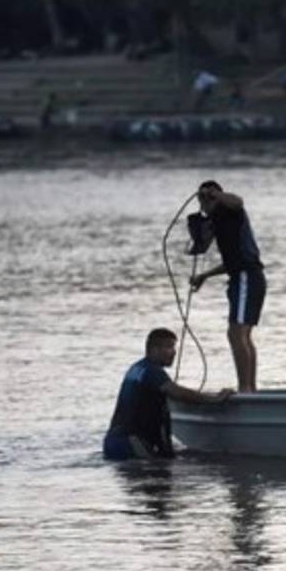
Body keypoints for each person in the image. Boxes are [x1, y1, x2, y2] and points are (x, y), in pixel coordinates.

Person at [103, 328, 231, 460]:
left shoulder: (137, 368)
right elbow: (178, 393)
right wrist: (214, 399)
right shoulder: (152, 371)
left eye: (174, 347)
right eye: (169, 347)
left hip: (113, 441)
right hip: (130, 442)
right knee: (155, 471)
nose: (174, 352)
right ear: (154, 349)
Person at [189, 180, 266, 392]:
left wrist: (214, 194)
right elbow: (205, 249)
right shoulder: (216, 221)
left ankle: (246, 389)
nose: (205, 203)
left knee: (236, 334)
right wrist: (205, 275)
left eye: (208, 199)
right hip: (242, 277)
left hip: (247, 278)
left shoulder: (232, 211)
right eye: (202, 200)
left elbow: (238, 201)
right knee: (242, 335)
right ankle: (249, 388)